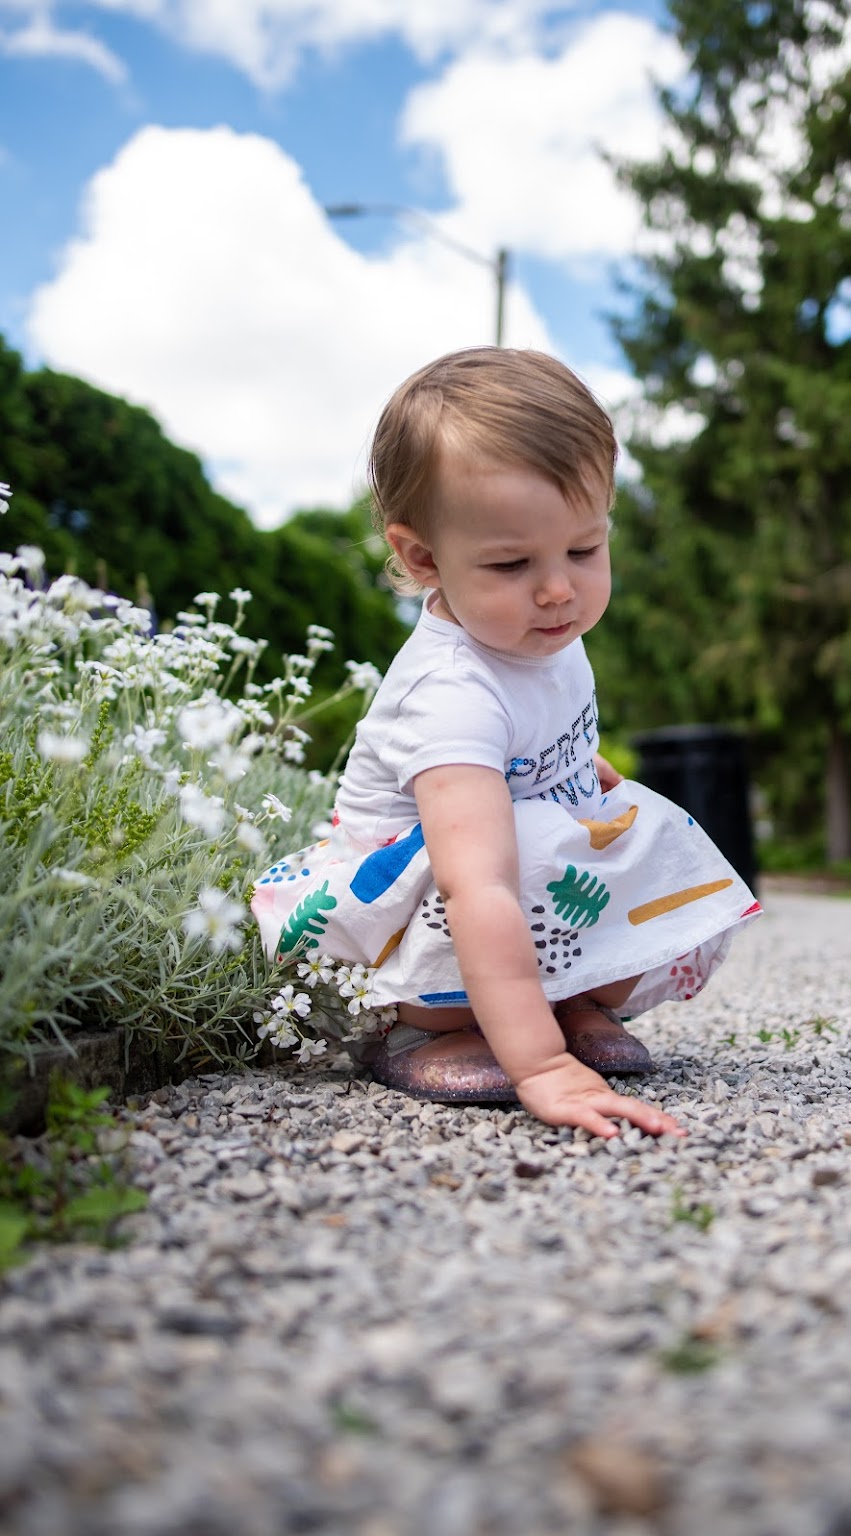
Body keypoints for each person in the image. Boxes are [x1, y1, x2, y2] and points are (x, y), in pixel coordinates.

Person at [252, 348, 760, 1138]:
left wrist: (609, 813)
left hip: (506, 875)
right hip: (409, 909)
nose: (559, 588)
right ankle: (428, 1026)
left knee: (629, 830)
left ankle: (564, 998)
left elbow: (558, 752)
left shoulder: (541, 630)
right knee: (513, 850)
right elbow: (476, 885)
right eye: (513, 562)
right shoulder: (451, 694)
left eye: (584, 550)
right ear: (423, 558)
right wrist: (541, 1068)